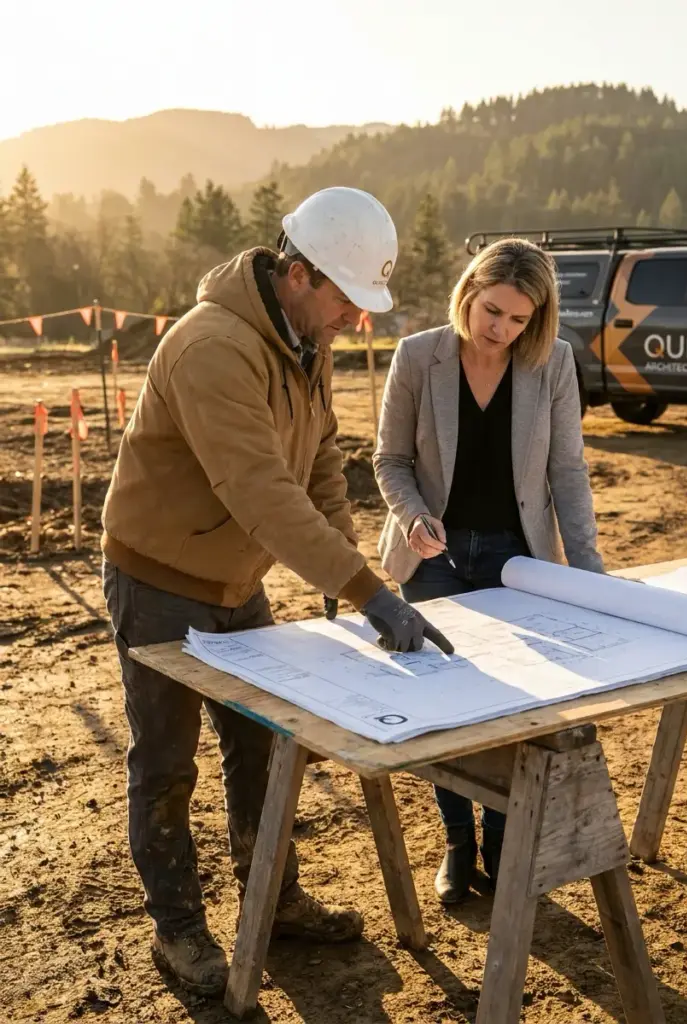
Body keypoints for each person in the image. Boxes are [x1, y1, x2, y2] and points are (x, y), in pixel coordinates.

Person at [101, 187, 452, 996]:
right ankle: (178, 931)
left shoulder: (301, 337)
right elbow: (258, 491)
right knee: (165, 762)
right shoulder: (212, 347)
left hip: (236, 580)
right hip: (158, 582)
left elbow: (321, 456)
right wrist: (369, 591)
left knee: (260, 745)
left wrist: (343, 554)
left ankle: (277, 899)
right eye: (346, 300)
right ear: (298, 272)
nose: (353, 321)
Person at [373, 236, 604, 903]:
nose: (499, 329)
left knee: (513, 702)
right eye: (491, 310)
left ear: (536, 319)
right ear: (468, 291)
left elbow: (566, 471)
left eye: (516, 319)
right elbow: (389, 461)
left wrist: (587, 574)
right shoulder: (418, 354)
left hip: (516, 558)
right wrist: (414, 518)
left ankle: (502, 842)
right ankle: (456, 842)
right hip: (431, 556)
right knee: (445, 704)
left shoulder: (553, 363)